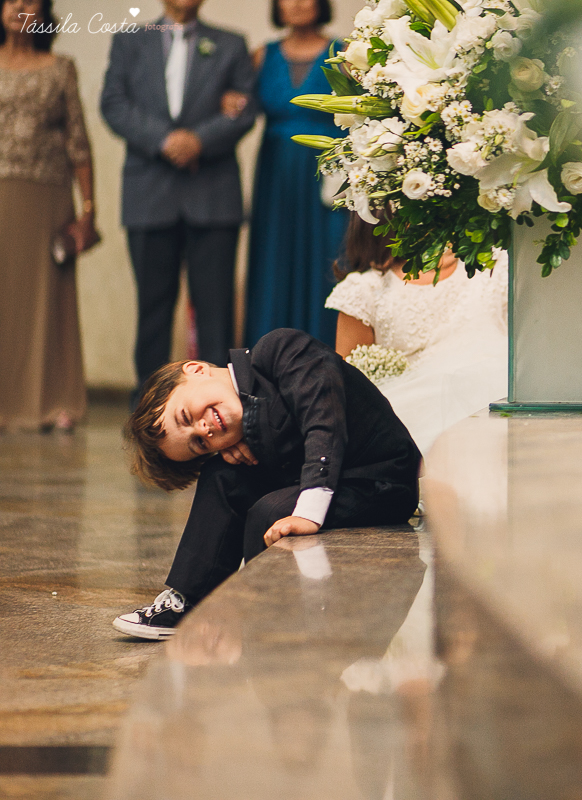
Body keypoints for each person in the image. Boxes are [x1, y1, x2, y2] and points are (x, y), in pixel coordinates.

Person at [113, 327, 421, 639]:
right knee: (222, 476)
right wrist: (242, 434)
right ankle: (192, 601)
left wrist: (308, 511)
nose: (203, 429)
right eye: (199, 444)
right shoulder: (238, 423)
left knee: (270, 513)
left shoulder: (281, 349)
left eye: (184, 416)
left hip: (380, 479)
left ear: (195, 369)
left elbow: (323, 419)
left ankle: (268, 614)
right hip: (330, 478)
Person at [100, 0, 257, 403]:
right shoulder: (130, 40)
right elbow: (114, 104)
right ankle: (149, 407)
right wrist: (165, 140)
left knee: (215, 312)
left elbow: (244, 109)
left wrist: (199, 140)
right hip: (148, 195)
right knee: (152, 310)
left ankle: (221, 403)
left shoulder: (230, 44)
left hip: (213, 197)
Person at [325, 217, 509, 455]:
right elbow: (349, 390)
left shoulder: (492, 266)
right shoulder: (364, 291)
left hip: (498, 407)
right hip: (415, 423)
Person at [0, 0, 100, 431]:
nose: (21, 6)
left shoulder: (60, 67)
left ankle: (56, 400)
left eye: (31, 1)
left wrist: (89, 211)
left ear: (43, 14)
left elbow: (78, 140)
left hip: (47, 196)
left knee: (47, 300)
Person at [243, 0, 348, 347]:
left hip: (328, 176)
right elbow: (238, 108)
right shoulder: (261, 56)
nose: (299, 2)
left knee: (328, 260)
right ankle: (268, 362)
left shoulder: (346, 54)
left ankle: (327, 359)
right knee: (274, 262)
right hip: (275, 178)